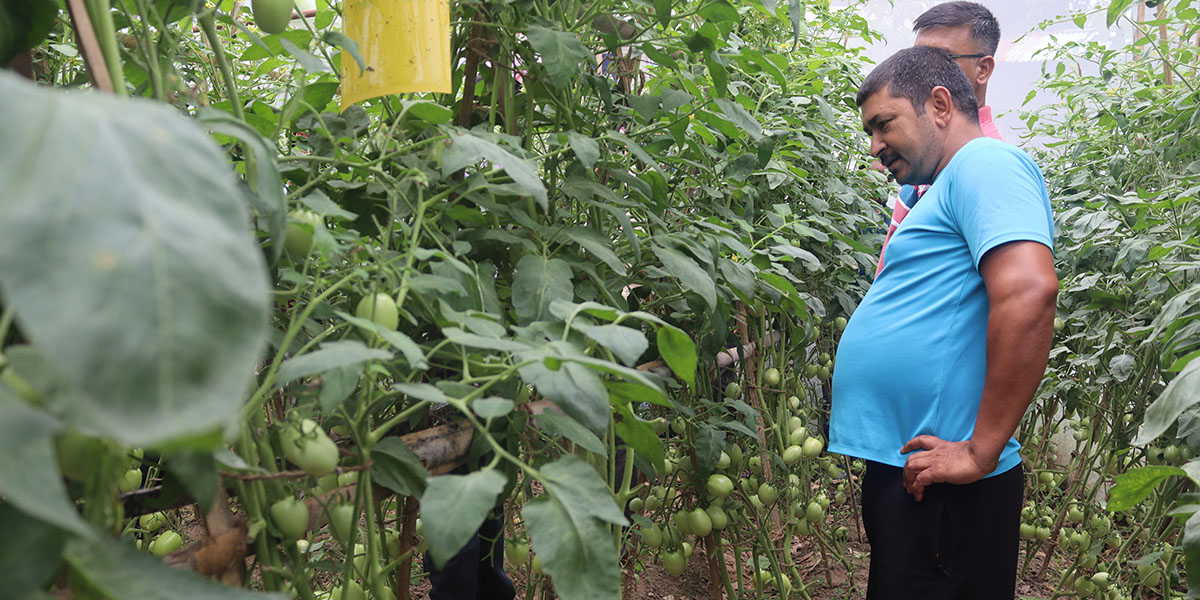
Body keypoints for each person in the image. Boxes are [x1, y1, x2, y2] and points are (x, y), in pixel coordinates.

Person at [829, 46, 1058, 598]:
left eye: (884, 125)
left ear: (938, 104)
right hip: (919, 469)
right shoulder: (942, 188)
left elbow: (1030, 290)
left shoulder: (987, 164)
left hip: (948, 479)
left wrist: (979, 451)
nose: (875, 147)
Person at [875, 1, 1004, 278]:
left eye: (941, 60)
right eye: (916, 62)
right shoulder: (931, 151)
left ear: (983, 69)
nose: (921, 76)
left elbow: (1022, 289)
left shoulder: (988, 164)